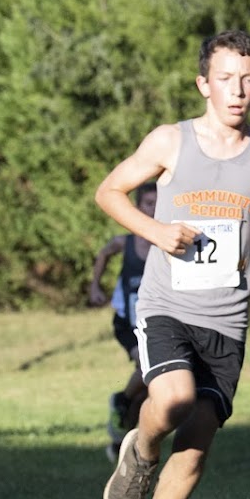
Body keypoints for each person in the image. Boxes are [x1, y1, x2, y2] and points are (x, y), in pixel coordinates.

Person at [95, 29, 250, 499]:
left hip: (228, 319)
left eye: (248, 80)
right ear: (204, 84)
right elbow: (108, 191)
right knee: (175, 399)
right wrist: (156, 231)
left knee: (199, 437)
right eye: (226, 79)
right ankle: (141, 451)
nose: (238, 90)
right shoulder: (170, 141)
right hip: (167, 305)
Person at [89, 183, 158, 459]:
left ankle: (123, 440)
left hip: (155, 324)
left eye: (158, 204)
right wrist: (95, 286)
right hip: (127, 323)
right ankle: (122, 400)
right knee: (146, 368)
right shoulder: (125, 242)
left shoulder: (167, 241)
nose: (153, 210)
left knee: (151, 386)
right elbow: (104, 253)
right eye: (148, 204)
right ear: (138, 208)